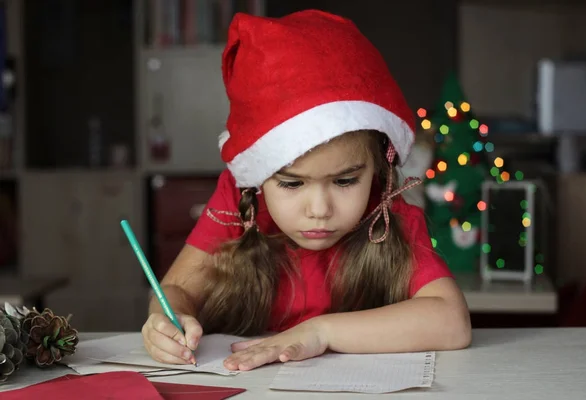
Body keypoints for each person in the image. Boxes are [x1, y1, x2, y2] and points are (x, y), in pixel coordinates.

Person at [141, 9, 471, 371]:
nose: (319, 209)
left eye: (345, 181)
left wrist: (319, 333)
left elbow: (452, 321)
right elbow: (177, 292)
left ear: (379, 165)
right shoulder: (240, 199)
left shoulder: (387, 208)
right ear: (258, 176)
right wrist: (166, 321)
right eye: (291, 183)